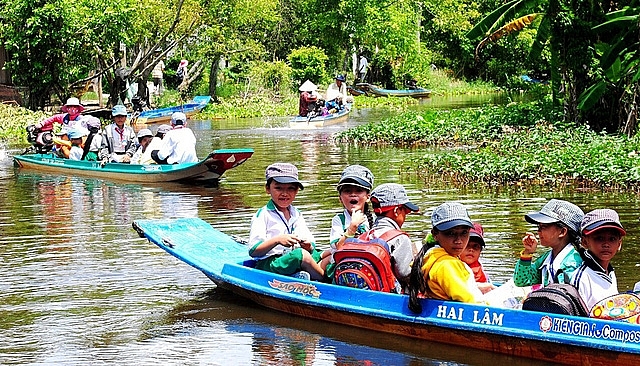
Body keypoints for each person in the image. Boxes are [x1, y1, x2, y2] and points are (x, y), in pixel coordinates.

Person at [248, 163, 325, 281]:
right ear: (268, 189)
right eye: (278, 188)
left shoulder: (296, 213)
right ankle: (326, 281)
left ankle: (303, 275)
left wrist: (308, 246)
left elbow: (311, 245)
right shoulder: (263, 215)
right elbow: (254, 251)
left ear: (297, 191)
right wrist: (277, 240)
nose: (285, 193)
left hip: (290, 257)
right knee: (301, 255)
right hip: (270, 263)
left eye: (291, 188)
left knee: (326, 253)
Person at [408, 202, 485, 312]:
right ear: (435, 234)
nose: (458, 240)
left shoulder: (431, 256)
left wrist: (479, 287)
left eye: (464, 233)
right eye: (450, 233)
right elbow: (468, 301)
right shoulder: (447, 264)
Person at [513, 199, 584, 287]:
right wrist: (528, 253)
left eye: (544, 226)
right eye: (538, 226)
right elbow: (522, 281)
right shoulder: (547, 258)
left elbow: (565, 294)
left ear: (562, 232)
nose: (538, 231)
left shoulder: (572, 263)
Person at [320, 165, 375, 276]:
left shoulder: (373, 219)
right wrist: (352, 228)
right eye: (347, 191)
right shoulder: (339, 220)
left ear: (368, 197)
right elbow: (339, 247)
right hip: (342, 264)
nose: (353, 194)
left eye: (359, 190)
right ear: (340, 198)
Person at [366, 183, 420, 289]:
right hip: (391, 296)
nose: (405, 216)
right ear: (396, 211)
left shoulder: (366, 235)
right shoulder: (400, 239)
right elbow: (405, 274)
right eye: (405, 211)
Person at [571, 209, 626, 309]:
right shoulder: (582, 278)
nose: (606, 244)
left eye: (612, 239)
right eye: (599, 238)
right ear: (584, 242)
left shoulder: (609, 272)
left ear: (619, 244)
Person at [460, 222, 496, 294]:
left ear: (480, 251)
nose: (471, 249)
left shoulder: (480, 267)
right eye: (467, 245)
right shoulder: (452, 265)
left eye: (476, 246)